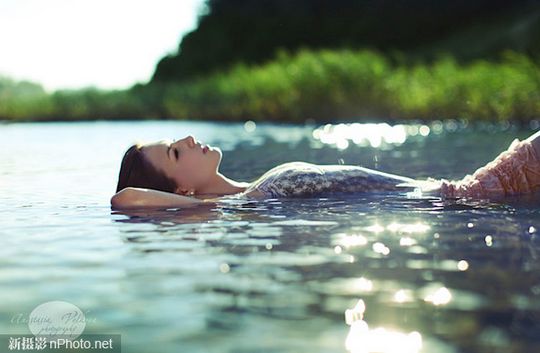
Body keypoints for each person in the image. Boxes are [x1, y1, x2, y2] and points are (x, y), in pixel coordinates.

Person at [111, 130, 540, 209]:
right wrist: (194, 209)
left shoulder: (251, 192)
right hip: (478, 194)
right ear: (180, 191)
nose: (187, 141)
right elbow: (125, 198)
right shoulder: (244, 204)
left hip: (472, 190)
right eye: (174, 154)